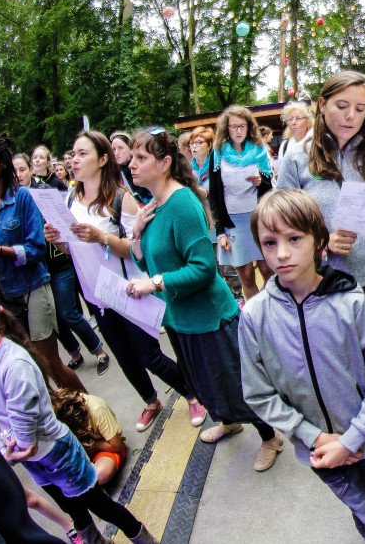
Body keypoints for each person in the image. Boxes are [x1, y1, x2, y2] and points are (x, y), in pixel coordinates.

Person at [240, 189, 365, 544]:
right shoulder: (255, 316)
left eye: (294, 238)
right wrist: (316, 437)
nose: (282, 253)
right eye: (269, 243)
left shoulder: (351, 303)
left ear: (319, 240)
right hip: (316, 447)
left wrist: (352, 439)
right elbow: (258, 393)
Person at [0, 274, 159, 544]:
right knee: (74, 511)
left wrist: (3, 453)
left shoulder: (15, 368)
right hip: (39, 463)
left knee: (100, 506)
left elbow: (24, 442)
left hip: (57, 455)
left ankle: (143, 538)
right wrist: (3, 448)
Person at [126, 127, 283, 472]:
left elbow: (203, 269)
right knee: (205, 383)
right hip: (181, 318)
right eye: (132, 158)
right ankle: (229, 422)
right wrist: (136, 234)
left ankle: (271, 437)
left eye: (141, 158)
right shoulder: (154, 205)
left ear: (165, 163)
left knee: (235, 382)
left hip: (210, 318)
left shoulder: (181, 203)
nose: (132, 165)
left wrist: (154, 284)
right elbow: (147, 260)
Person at [276, 71, 365, 451]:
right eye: (342, 105)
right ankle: (348, 423)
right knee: (337, 360)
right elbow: (279, 226)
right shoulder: (298, 159)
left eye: (360, 108)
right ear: (322, 104)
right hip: (323, 281)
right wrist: (321, 246)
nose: (350, 115)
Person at [44, 130, 204, 432]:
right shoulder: (69, 198)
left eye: (83, 154)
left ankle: (193, 394)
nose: (75, 160)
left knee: (149, 355)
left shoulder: (120, 200)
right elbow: (72, 249)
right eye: (73, 154)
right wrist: (59, 241)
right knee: (125, 359)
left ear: (103, 159)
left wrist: (100, 237)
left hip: (127, 289)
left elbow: (137, 250)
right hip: (96, 295)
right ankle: (150, 401)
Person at [0, 134, 85, 394]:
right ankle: (67, 420)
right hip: (6, 302)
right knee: (32, 370)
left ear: (2, 163)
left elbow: (37, 249)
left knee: (50, 364)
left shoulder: (23, 198)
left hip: (33, 291)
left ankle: (93, 414)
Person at [15, 152, 111, 376]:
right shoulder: (14, 199)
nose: (19, 175)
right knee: (53, 318)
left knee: (68, 312)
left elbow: (66, 221)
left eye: (22, 169)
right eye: (15, 171)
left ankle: (99, 350)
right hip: (37, 270)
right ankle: (75, 353)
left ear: (29, 169)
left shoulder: (45, 191)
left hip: (60, 263)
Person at [209, 105, 274, 302]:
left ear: (249, 127)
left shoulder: (259, 150)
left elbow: (269, 187)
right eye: (233, 126)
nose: (238, 131)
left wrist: (259, 181)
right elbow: (214, 195)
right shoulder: (218, 153)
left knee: (268, 270)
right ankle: (255, 315)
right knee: (246, 275)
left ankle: (275, 309)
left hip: (258, 219)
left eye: (242, 126)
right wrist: (220, 231)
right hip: (233, 223)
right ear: (226, 129)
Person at [52, 389, 127, 485]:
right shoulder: (55, 413)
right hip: (79, 449)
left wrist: (93, 444)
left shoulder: (96, 410)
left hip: (105, 447)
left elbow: (117, 446)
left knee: (100, 475)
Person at [110, 131, 153, 206]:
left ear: (130, 150)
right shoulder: (111, 174)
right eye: (113, 149)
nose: (116, 153)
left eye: (120, 148)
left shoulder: (142, 168)